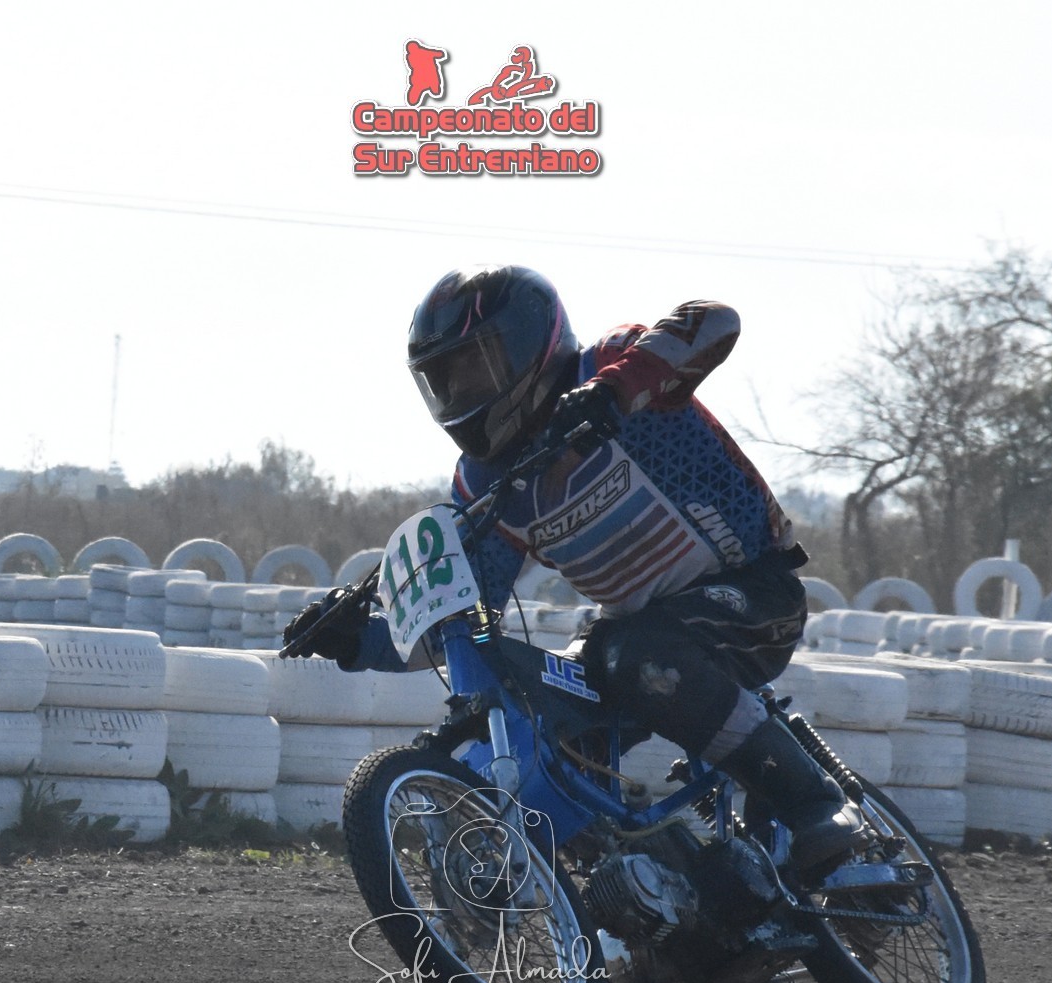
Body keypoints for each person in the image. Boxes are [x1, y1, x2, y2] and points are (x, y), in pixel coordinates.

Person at [284, 264, 870, 871]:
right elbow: (462, 621)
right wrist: (359, 642)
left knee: (639, 657)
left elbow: (714, 321)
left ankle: (815, 804)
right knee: (545, 700)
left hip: (753, 591)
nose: (460, 394)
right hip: (633, 628)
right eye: (444, 382)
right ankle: (648, 883)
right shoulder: (484, 482)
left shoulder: (609, 364)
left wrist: (615, 391)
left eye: (473, 368)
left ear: (526, 343)